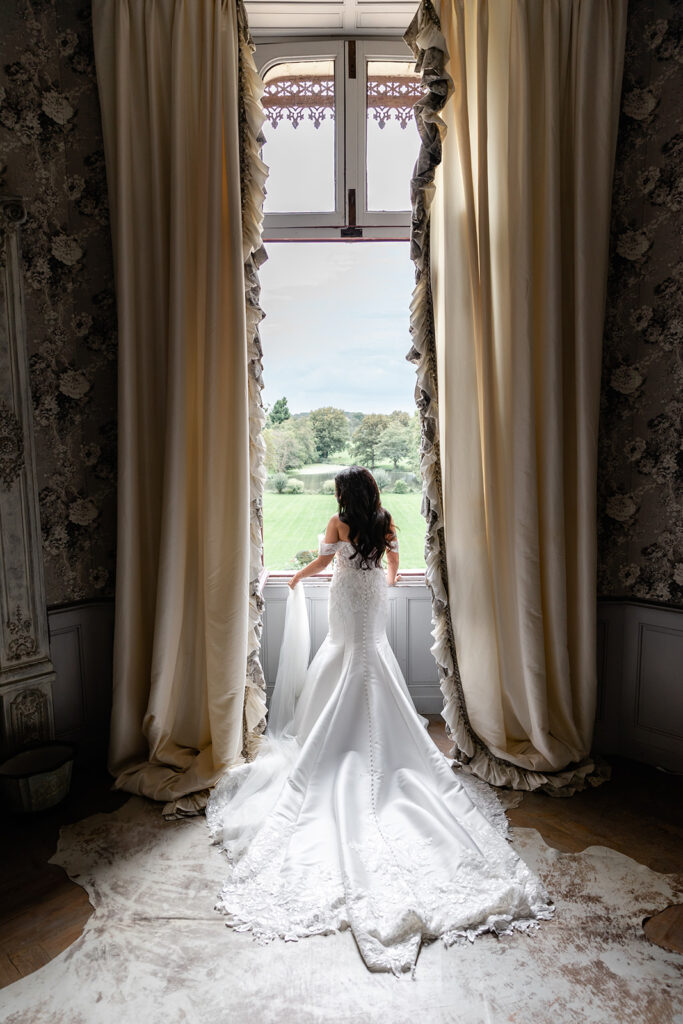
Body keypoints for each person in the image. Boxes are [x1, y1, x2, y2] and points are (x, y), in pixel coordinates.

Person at [206, 466, 553, 975]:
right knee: (372, 658)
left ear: (345, 495)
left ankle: (330, 741)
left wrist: (296, 579)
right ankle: (383, 744)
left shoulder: (338, 523)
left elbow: (325, 566)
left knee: (342, 656)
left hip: (347, 602)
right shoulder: (385, 520)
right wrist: (385, 581)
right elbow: (395, 560)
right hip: (373, 602)